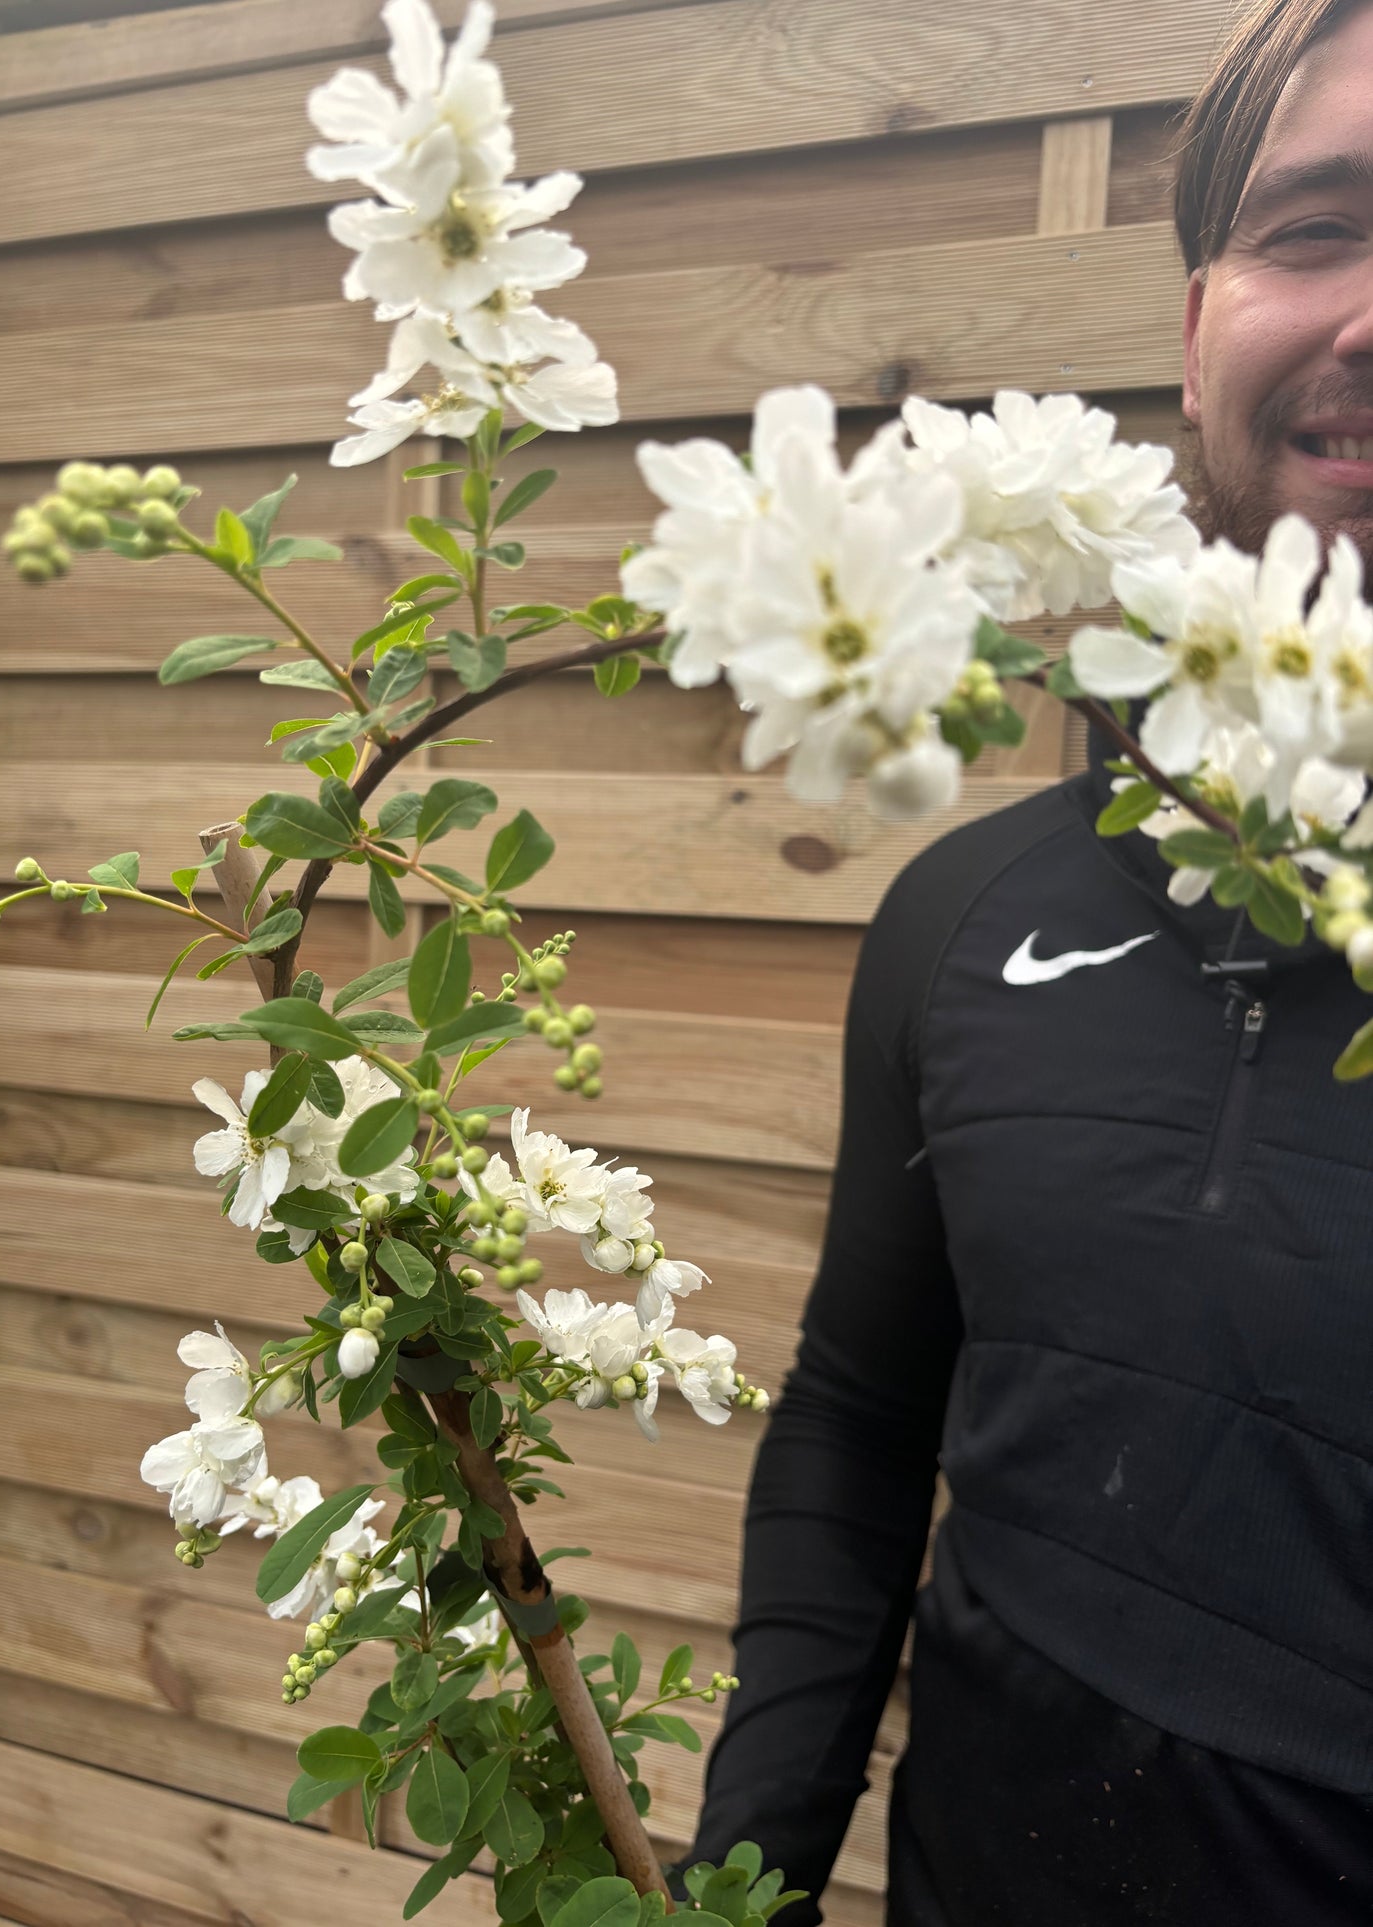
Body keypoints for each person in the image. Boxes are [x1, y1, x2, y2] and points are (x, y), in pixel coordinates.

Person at [677, 1, 1373, 1920]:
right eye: (1314, 226)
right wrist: (748, 1875)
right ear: (1192, 325)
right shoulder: (965, 914)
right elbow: (857, 1416)